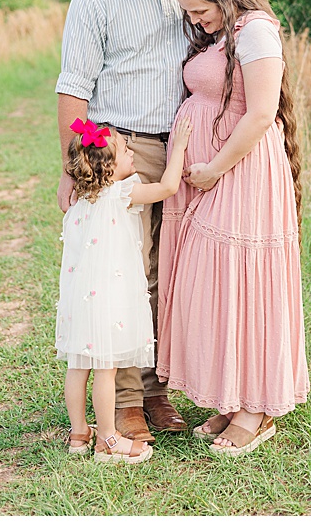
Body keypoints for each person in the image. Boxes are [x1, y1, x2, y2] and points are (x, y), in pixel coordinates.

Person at [158, 0, 309, 456]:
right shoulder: (224, 32)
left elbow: (261, 113)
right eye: (188, 13)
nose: (195, 21)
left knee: (245, 282)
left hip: (242, 173)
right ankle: (233, 395)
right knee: (217, 284)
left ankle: (257, 410)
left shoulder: (257, 31)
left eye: (200, 10)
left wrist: (214, 167)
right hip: (214, 172)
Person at [55, 0, 192, 445]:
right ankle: (130, 400)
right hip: (122, 149)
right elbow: (74, 90)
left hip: (180, 144)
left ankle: (161, 387)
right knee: (129, 276)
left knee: (175, 272)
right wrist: (73, 166)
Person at [57, 117, 192, 464]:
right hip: (110, 301)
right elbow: (168, 187)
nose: (132, 153)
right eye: (125, 151)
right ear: (109, 168)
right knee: (106, 368)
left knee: (78, 367)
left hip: (80, 300)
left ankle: (79, 433)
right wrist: (178, 147)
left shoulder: (81, 200)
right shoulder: (122, 193)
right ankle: (108, 439)